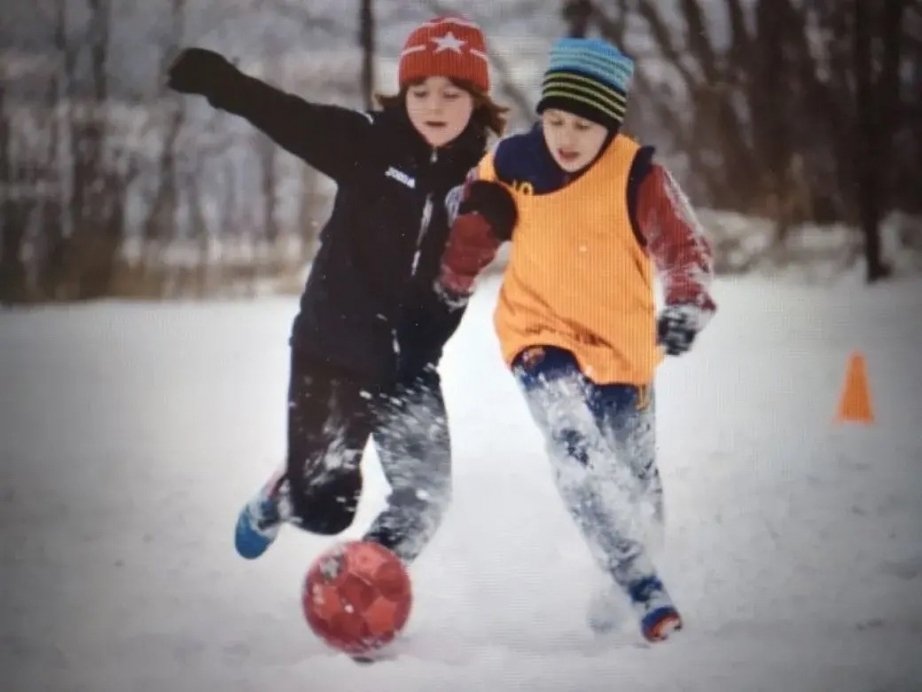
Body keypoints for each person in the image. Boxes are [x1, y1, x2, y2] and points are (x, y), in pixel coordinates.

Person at [166, 16, 507, 565]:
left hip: (410, 363)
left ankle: (364, 580)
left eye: (452, 92)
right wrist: (223, 82)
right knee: (326, 508)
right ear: (403, 94)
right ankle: (286, 492)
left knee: (424, 499)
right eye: (420, 91)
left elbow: (562, 208)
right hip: (333, 349)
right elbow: (288, 117)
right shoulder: (368, 143)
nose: (434, 105)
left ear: (478, 100)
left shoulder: (492, 175)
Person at [435, 37, 716, 643]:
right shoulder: (513, 162)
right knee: (572, 445)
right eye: (555, 120)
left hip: (622, 345)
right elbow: (471, 218)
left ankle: (630, 563)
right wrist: (456, 270)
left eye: (583, 126)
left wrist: (689, 304)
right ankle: (642, 584)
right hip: (539, 331)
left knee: (635, 480)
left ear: (610, 126)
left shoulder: (638, 174)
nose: (565, 137)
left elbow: (685, 249)